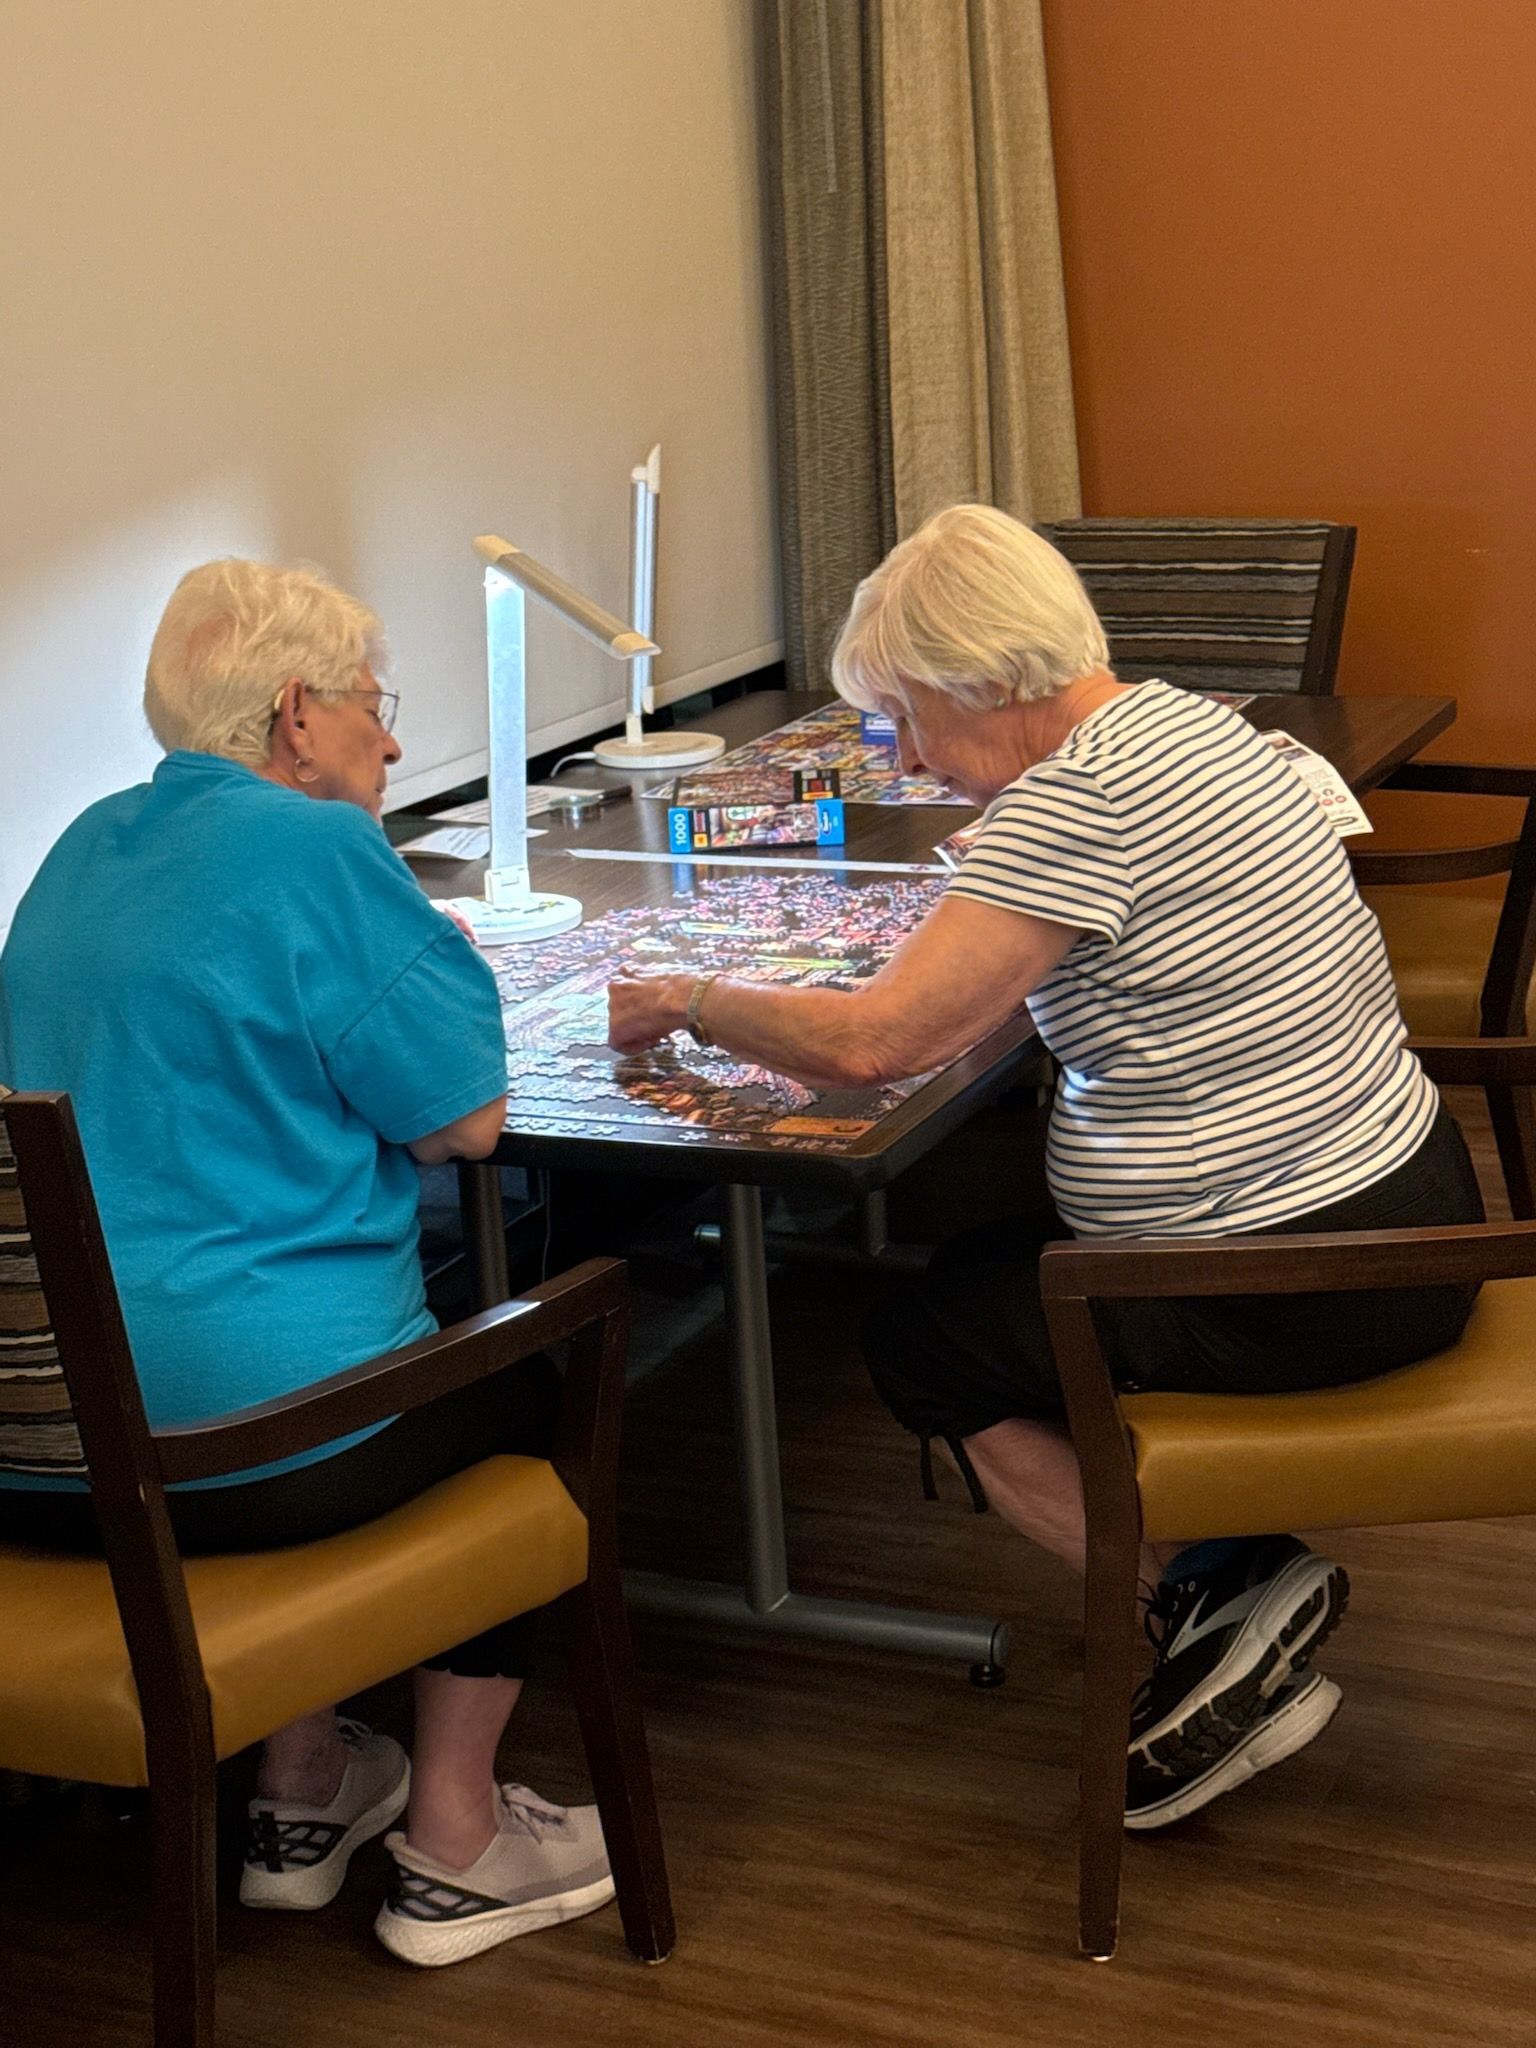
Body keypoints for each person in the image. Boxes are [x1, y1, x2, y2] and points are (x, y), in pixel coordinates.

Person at [608, 503, 1485, 1830]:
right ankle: (1221, 1582)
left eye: (902, 715)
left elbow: (879, 1042)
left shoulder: (1072, 807)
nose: (899, 751)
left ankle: (1207, 1597)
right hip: (1405, 1201)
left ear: (975, 680)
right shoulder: (1188, 726)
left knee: (921, 1342)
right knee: (973, 1268)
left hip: (1303, 1269)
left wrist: (689, 995)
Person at [0, 558, 612, 1966]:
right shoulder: (319, 848)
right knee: (527, 1372)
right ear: (294, 716)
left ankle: (301, 1791)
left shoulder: (80, 847)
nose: (391, 742)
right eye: (372, 707)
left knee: (310, 1328)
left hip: (52, 1453)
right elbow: (464, 1121)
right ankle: (457, 1840)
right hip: (241, 1454)